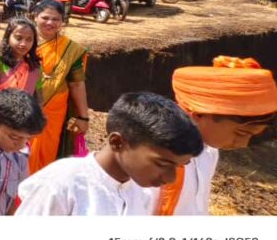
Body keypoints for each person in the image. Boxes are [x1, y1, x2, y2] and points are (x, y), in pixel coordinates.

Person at [17, 92, 203, 216]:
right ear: (117, 142)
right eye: (162, 164)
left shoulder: (143, 192)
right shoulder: (60, 186)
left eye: (178, 167)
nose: (171, 178)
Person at [153, 57, 277, 215]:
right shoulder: (151, 160)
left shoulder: (209, 152)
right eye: (240, 133)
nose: (243, 144)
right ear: (198, 114)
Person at [28, 0, 90, 175]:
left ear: (63, 21)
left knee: (46, 160)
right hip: (22, 110)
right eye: (45, 17)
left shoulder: (71, 50)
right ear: (35, 17)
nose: (50, 23)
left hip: (53, 115)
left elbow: (77, 83)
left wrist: (83, 117)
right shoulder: (22, 41)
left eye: (56, 19)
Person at [0, 17, 42, 118]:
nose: (23, 44)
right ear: (8, 37)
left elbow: (39, 101)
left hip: (21, 125)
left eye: (29, 39)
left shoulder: (35, 67)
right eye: (18, 38)